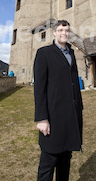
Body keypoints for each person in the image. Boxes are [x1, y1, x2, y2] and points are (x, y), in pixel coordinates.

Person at [34, 20, 83, 181]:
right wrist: (42, 118)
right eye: (61, 30)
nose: (64, 33)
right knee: (48, 162)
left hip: (70, 116)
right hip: (53, 115)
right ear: (54, 32)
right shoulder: (44, 53)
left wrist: (79, 109)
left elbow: (74, 83)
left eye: (67, 30)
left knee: (65, 161)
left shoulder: (71, 54)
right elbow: (39, 88)